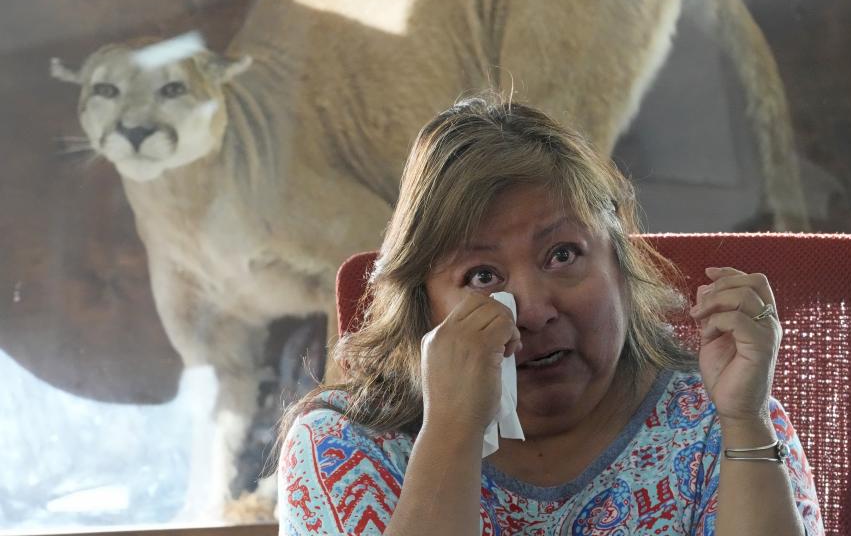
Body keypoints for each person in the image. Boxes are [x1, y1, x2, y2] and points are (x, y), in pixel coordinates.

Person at [276, 98, 823, 535]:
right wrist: (451, 433)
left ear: (620, 267)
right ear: (424, 310)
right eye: (482, 277)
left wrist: (745, 422)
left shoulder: (720, 423)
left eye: (562, 255)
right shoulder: (345, 448)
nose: (535, 311)